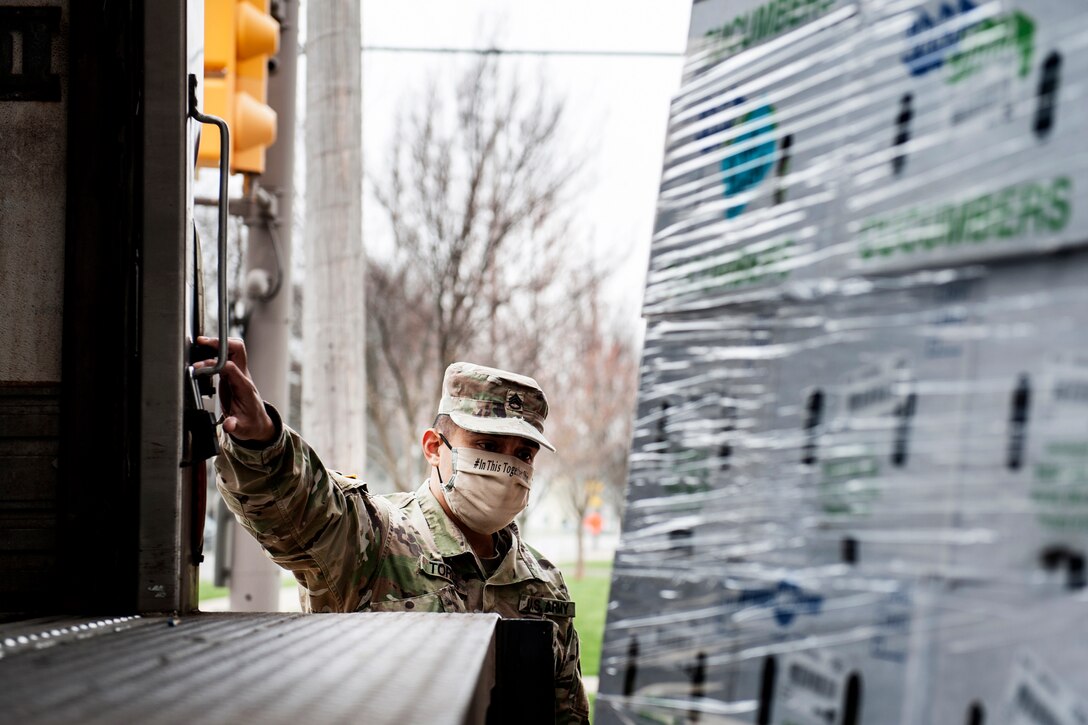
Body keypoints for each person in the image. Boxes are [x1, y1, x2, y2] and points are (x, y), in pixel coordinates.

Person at [197, 336, 590, 723]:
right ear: (434, 447)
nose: (506, 467)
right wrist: (261, 438)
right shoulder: (377, 537)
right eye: (486, 445)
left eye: (523, 454)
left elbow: (566, 714)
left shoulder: (545, 585)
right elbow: (302, 506)